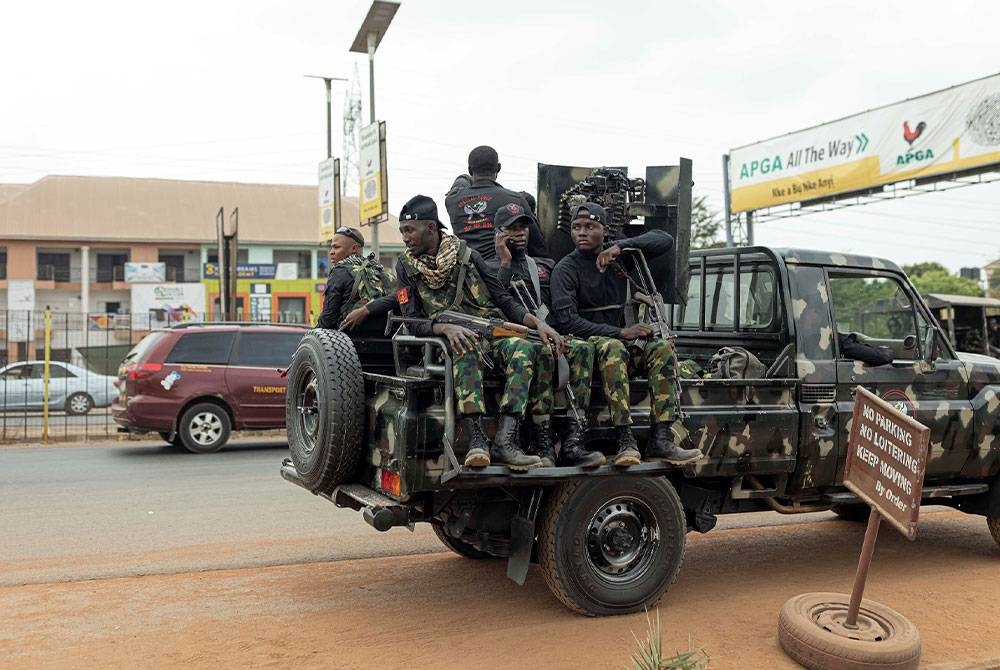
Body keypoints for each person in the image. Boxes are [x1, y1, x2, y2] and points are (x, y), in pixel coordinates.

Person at [393, 194, 565, 470]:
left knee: (524, 350)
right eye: (403, 231)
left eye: (409, 230)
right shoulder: (405, 267)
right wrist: (443, 328)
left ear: (431, 228)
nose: (405, 238)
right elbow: (411, 319)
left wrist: (538, 324)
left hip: (491, 333)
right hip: (453, 341)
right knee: (464, 344)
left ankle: (506, 441)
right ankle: (477, 440)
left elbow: (503, 299)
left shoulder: (467, 255)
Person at [549, 202, 702, 467]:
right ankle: (625, 440)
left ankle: (661, 438)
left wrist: (621, 247)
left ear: (605, 231)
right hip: (588, 350)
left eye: (590, 227)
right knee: (613, 347)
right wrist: (620, 332)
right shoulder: (566, 269)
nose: (582, 233)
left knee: (661, 349)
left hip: (623, 344)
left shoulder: (620, 258)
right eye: (576, 228)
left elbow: (663, 240)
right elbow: (568, 321)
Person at [493, 202, 605, 468]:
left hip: (554, 334)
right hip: (519, 338)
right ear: (498, 233)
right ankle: (542, 443)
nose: (519, 233)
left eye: (523, 228)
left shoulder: (544, 265)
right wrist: (505, 263)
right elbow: (495, 303)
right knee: (541, 351)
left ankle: (572, 442)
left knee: (584, 349)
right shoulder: (488, 266)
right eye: (511, 229)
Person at [444, 145, 547, 262]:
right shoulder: (515, 199)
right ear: (498, 168)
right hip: (503, 271)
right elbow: (538, 247)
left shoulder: (452, 200)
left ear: (470, 170)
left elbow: (459, 183)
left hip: (466, 274)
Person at [315, 227, 392, 331]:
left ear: (354, 248)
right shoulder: (379, 271)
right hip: (385, 338)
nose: (331, 252)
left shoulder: (339, 272)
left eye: (336, 247)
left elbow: (328, 319)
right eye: (331, 248)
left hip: (350, 340)